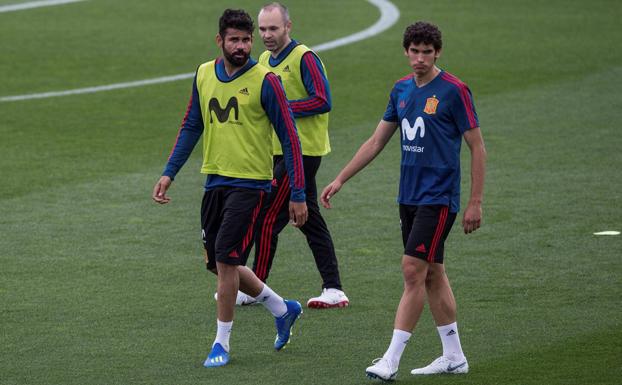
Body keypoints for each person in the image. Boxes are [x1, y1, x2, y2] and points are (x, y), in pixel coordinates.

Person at [320, 21, 486, 380]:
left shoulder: (455, 91)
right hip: (408, 197)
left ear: (437, 52)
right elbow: (376, 141)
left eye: (428, 52)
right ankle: (454, 356)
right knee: (432, 274)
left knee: (413, 270)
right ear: (406, 52)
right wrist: (340, 178)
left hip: (438, 199)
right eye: (415, 51)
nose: (421, 58)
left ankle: (390, 360)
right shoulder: (401, 90)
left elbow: (477, 145)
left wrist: (475, 202)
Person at [152, 8, 308, 368]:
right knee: (218, 263)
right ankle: (282, 309)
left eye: (246, 39)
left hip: (251, 184)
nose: (241, 46)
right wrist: (169, 171)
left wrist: (297, 194)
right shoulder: (204, 74)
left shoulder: (266, 80)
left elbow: (290, 139)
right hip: (215, 181)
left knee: (226, 258)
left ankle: (220, 344)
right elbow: (193, 123)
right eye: (234, 39)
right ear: (219, 40)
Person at [235, 2, 348, 309]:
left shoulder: (304, 58)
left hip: (303, 152)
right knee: (309, 218)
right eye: (262, 29)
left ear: (288, 27)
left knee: (267, 219)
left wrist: (281, 109)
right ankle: (334, 288)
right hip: (276, 151)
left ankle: (254, 288)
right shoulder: (262, 59)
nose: (267, 35)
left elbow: (323, 100)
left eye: (273, 28)